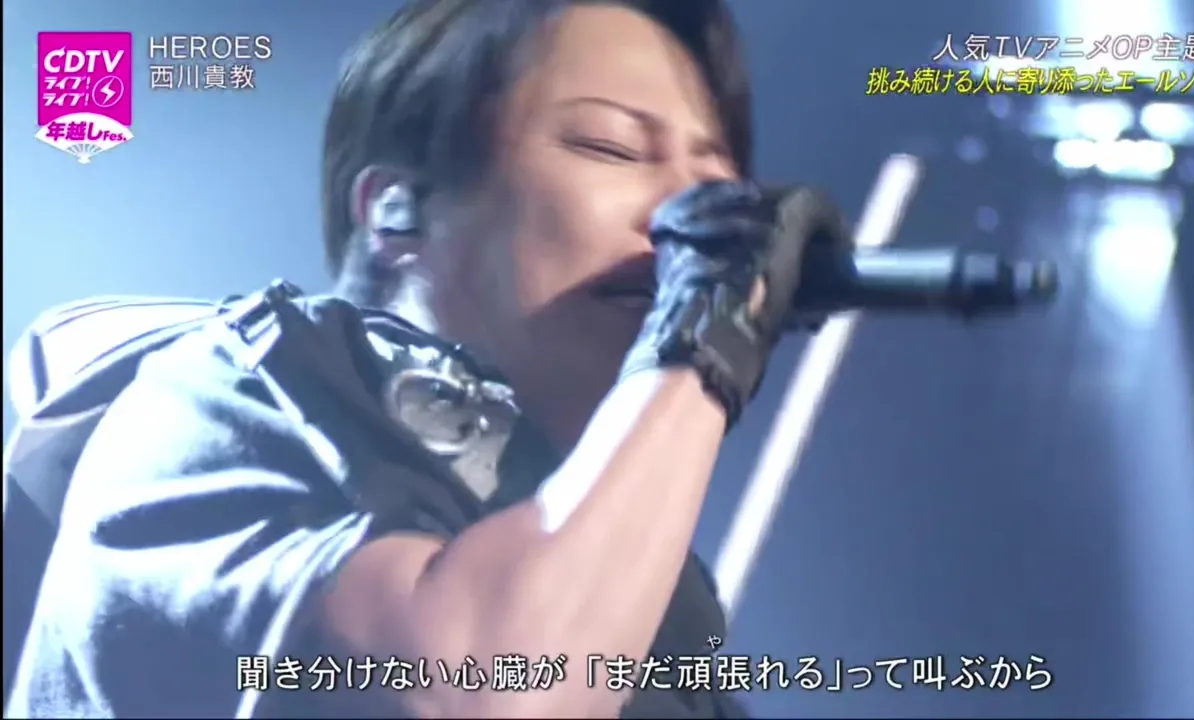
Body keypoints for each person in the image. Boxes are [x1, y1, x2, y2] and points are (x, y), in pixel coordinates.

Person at [4, 0, 846, 717]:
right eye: (610, 146)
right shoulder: (230, 393)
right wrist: (705, 337)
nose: (694, 212)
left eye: (716, 180)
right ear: (396, 210)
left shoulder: (656, 600)